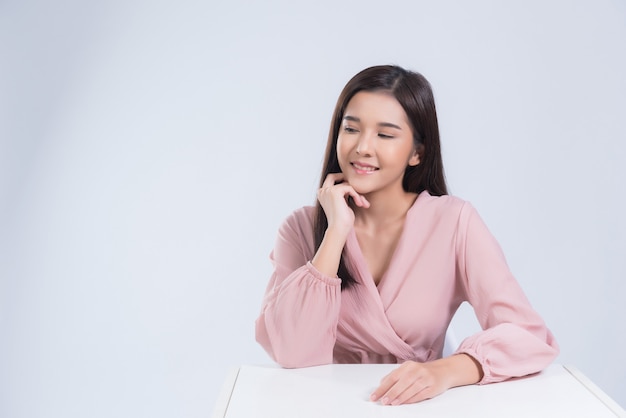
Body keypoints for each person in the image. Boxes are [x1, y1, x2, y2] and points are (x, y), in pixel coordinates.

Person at [255, 65, 559, 406]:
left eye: (385, 135)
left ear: (417, 153)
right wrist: (335, 232)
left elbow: (528, 335)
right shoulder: (299, 229)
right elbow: (292, 352)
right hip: (323, 406)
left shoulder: (454, 222)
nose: (363, 148)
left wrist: (444, 371)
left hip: (421, 405)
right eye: (351, 128)